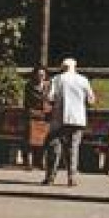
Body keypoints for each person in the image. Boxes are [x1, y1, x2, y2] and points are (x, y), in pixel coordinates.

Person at [42, 57, 95, 187]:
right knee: (73, 148)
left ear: (62, 67)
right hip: (78, 119)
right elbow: (91, 100)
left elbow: (50, 98)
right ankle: (72, 177)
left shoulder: (57, 79)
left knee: (55, 147)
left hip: (60, 118)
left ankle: (50, 177)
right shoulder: (83, 80)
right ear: (75, 67)